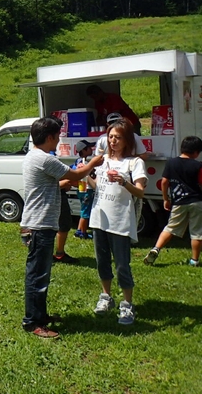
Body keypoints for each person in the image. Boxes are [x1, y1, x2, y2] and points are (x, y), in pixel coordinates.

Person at [21, 117, 103, 338]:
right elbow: (76, 174)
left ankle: (40, 315)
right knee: (37, 276)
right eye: (57, 137)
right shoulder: (45, 159)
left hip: (36, 223)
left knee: (40, 275)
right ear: (49, 137)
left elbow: (46, 184)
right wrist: (94, 162)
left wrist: (60, 184)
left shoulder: (34, 156)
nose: (58, 140)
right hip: (40, 225)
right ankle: (33, 322)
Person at [89, 119, 147, 325]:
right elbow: (97, 187)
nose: (113, 141)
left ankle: (127, 304)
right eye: (110, 137)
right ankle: (106, 297)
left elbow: (140, 192)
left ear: (127, 140)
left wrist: (124, 181)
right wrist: (86, 174)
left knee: (122, 264)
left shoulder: (134, 163)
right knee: (102, 261)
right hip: (99, 218)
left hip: (120, 220)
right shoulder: (101, 160)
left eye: (118, 137)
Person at [144, 136, 202, 267]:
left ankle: (156, 248)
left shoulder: (171, 163)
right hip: (196, 201)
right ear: (196, 152)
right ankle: (194, 260)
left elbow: (165, 181)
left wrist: (166, 198)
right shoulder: (198, 165)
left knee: (170, 228)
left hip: (178, 202)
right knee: (197, 232)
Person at [73, 140, 96, 240]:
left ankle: (79, 230)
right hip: (86, 189)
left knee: (83, 210)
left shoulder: (77, 161)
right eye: (89, 148)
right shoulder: (83, 163)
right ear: (84, 150)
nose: (92, 149)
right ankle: (83, 232)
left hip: (81, 189)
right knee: (85, 212)